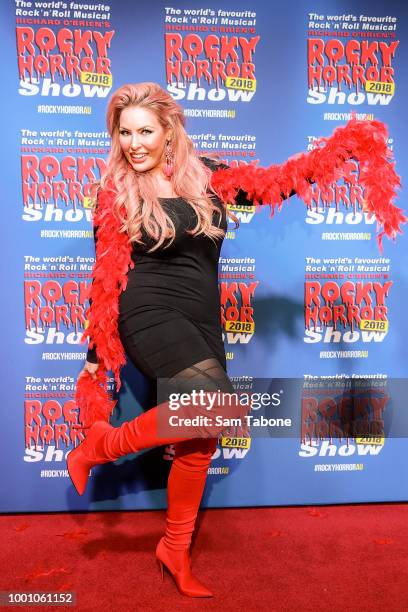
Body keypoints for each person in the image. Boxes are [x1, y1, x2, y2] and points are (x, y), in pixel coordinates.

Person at [66, 82, 402, 598]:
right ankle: (100, 446)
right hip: (148, 310)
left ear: (169, 130)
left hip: (201, 315)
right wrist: (94, 356)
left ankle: (173, 550)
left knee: (199, 441)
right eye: (125, 133)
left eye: (145, 131)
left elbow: (278, 183)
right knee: (219, 408)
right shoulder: (114, 192)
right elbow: (105, 277)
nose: (134, 143)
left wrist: (344, 147)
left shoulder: (210, 175)